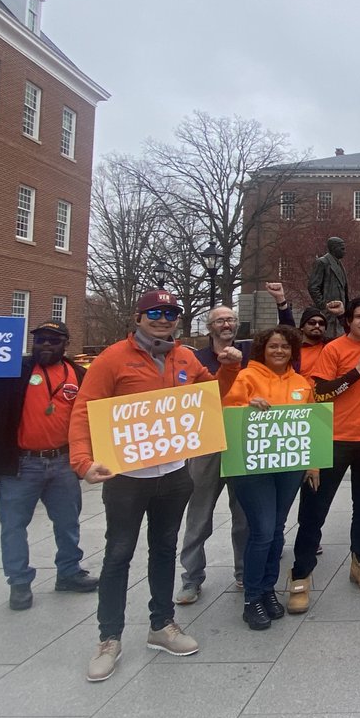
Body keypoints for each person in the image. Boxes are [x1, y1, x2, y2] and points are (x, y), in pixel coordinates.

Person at [70, 290, 242, 682]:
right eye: (156, 312)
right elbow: (84, 407)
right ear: (139, 316)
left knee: (164, 548)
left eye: (171, 313)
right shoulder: (113, 358)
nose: (164, 319)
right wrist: (82, 460)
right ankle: (109, 638)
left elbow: (210, 398)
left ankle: (161, 624)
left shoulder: (185, 357)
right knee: (118, 554)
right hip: (127, 478)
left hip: (175, 474)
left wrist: (230, 370)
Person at [0, 316, 98, 610]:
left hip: (62, 462)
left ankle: (69, 572)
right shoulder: (13, 371)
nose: (45, 344)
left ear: (65, 344)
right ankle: (19, 583)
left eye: (53, 340)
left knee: (68, 523)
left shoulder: (79, 375)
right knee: (14, 527)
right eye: (40, 339)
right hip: (21, 464)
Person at [176, 285, 294, 605]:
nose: (226, 324)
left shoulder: (253, 355)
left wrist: (282, 302)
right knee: (199, 514)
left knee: (245, 516)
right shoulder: (194, 358)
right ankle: (191, 578)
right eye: (219, 320)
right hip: (208, 444)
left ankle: (243, 571)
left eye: (230, 319)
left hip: (244, 444)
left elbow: (287, 335)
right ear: (209, 326)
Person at [288, 297, 360, 611]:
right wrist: (355, 374)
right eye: (358, 316)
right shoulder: (333, 350)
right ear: (348, 321)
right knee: (314, 511)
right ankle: (301, 574)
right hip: (332, 439)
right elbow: (319, 392)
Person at [221, 325, 313, 630]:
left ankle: (268, 589)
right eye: (274, 346)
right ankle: (252, 598)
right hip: (252, 467)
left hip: (288, 467)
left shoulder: (302, 382)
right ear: (263, 348)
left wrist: (312, 465)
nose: (279, 351)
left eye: (285, 347)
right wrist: (247, 407)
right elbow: (224, 410)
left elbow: (311, 425)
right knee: (260, 531)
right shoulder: (245, 376)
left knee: (276, 530)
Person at [308, 236, 350, 338]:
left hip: (340, 313)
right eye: (342, 248)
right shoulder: (322, 262)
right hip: (329, 313)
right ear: (334, 248)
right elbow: (313, 287)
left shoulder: (339, 264)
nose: (344, 251)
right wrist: (323, 306)